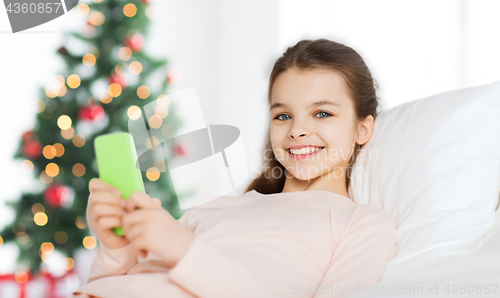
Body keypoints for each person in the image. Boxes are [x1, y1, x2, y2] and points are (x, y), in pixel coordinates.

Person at [70, 39, 397, 298]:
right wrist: (115, 250)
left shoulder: (361, 225)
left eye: (322, 113)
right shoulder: (214, 208)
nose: (297, 130)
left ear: (362, 128)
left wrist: (185, 251)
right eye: (283, 115)